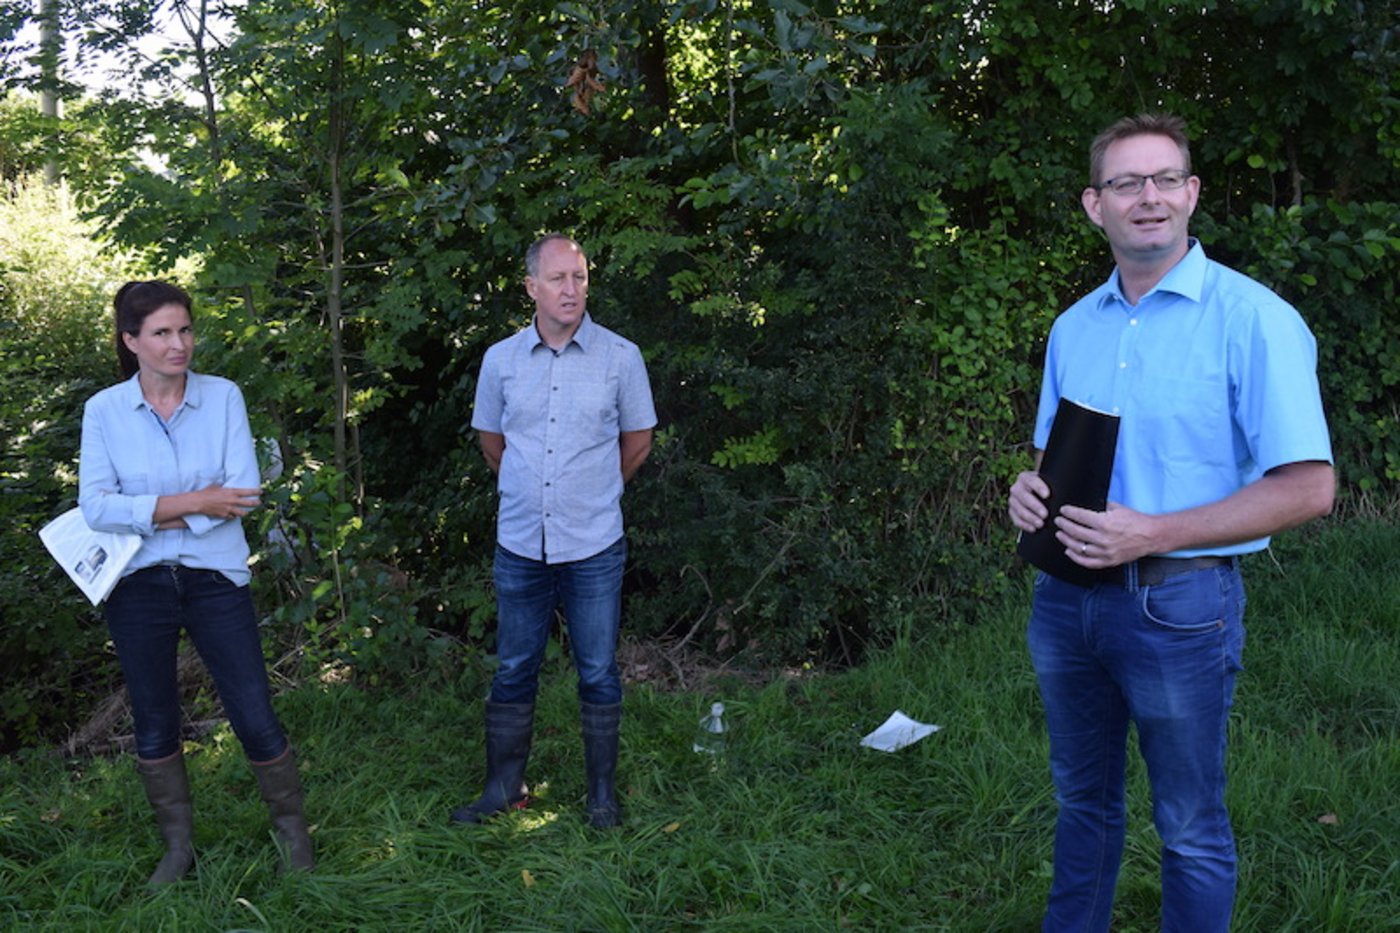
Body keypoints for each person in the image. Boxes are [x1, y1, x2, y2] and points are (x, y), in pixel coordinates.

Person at [1007, 114, 1334, 931]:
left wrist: (1153, 531)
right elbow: (1055, 456)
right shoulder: (1073, 326)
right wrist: (1026, 491)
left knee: (1187, 826)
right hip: (1064, 603)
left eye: (1163, 179)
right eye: (1125, 183)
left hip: (1179, 606)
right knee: (1081, 802)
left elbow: (1310, 487)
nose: (1145, 197)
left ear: (1190, 194)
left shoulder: (1255, 320)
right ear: (1095, 205)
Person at [79, 281, 314, 884]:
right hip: (137, 585)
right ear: (131, 341)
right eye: (161, 333)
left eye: (184, 330)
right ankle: (178, 849)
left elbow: (243, 493)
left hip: (216, 578)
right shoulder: (105, 411)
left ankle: (294, 838)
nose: (178, 344)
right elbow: (96, 509)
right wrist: (196, 502)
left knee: (254, 710)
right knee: (155, 718)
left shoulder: (223, 397)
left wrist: (150, 509)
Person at [452, 233, 656, 829]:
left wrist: (595, 492)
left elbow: (638, 440)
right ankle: (502, 789)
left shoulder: (622, 357)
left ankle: (600, 798)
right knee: (515, 665)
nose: (572, 289)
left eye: (581, 277)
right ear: (532, 288)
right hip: (520, 543)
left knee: (596, 668)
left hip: (594, 543)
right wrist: (534, 492)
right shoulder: (500, 361)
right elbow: (493, 443)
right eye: (559, 278)